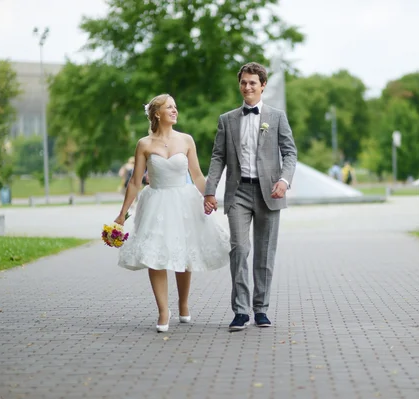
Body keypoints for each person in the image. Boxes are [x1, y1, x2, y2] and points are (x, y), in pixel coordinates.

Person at [114, 94, 230, 333]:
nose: (175, 110)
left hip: (184, 200)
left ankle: (183, 303)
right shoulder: (144, 144)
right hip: (156, 201)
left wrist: (209, 195)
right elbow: (135, 181)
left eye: (176, 106)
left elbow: (197, 175)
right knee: (156, 254)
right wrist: (122, 214)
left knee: (182, 252)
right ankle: (163, 310)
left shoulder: (186, 140)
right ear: (157, 113)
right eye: (170, 107)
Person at [203, 62, 298, 331]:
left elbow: (290, 153)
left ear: (263, 85)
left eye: (253, 83)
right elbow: (218, 156)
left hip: (269, 191)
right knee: (240, 249)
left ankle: (261, 309)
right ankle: (241, 311)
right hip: (238, 193)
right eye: (244, 82)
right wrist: (210, 190)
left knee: (264, 254)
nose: (247, 87)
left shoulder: (277, 117)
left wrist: (284, 180)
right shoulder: (227, 119)